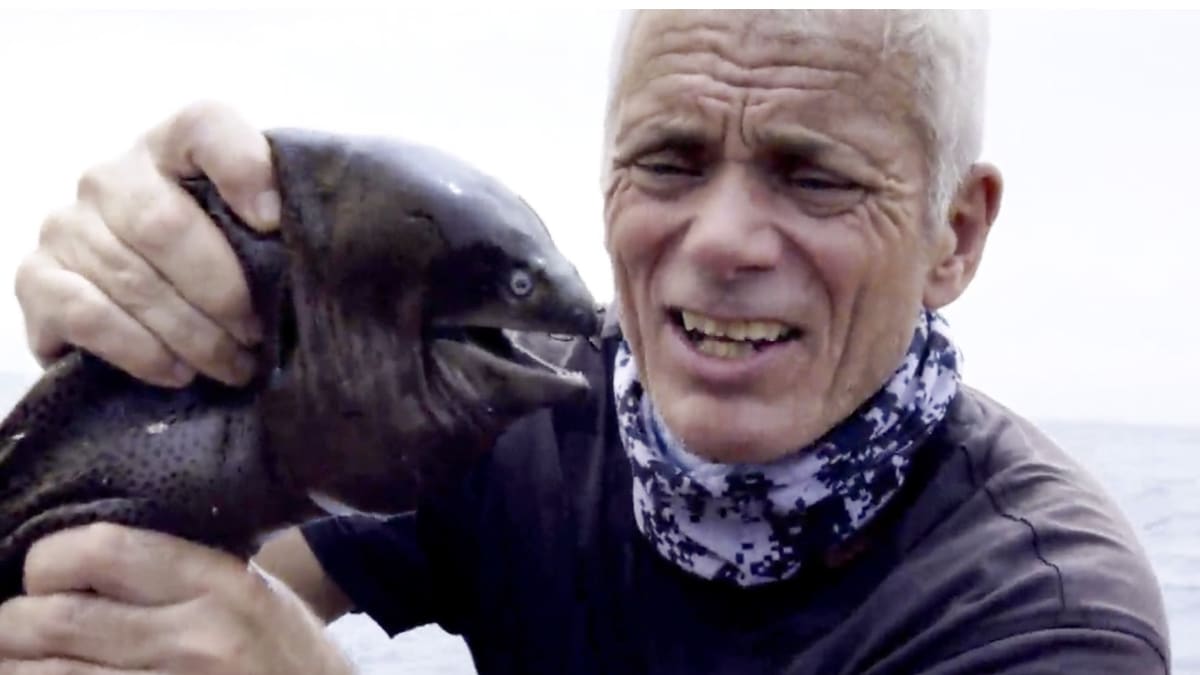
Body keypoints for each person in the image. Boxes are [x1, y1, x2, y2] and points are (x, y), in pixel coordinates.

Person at [0, 9, 1170, 675]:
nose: (721, 240)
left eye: (813, 177)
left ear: (954, 235)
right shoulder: (520, 407)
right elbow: (140, 567)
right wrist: (142, 351)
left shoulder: (1046, 617)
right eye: (669, 161)